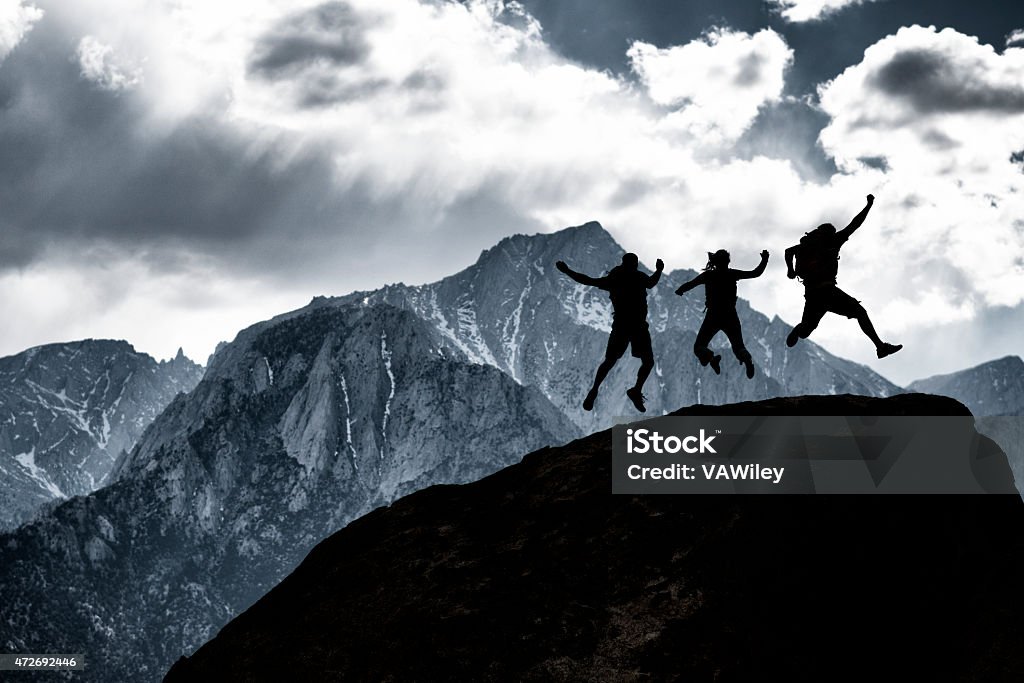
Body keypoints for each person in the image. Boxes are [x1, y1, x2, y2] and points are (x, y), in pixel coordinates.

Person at [784, 194, 902, 358]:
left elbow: (788, 251)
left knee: (806, 330)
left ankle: (799, 329)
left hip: (812, 294)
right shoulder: (834, 240)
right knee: (860, 312)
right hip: (828, 291)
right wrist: (869, 205)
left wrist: (790, 271)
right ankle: (880, 347)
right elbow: (855, 224)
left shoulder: (808, 245)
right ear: (830, 233)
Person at [556, 253, 663, 412]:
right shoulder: (635, 277)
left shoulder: (616, 278)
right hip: (636, 326)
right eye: (634, 264)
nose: (634, 266)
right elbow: (652, 282)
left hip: (624, 325)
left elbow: (587, 280)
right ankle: (633, 390)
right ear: (633, 264)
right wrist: (659, 270)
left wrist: (567, 271)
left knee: (611, 361)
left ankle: (598, 390)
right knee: (645, 362)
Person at [675, 249, 768, 379]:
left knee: (699, 346)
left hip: (713, 315)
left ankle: (712, 358)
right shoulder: (732, 274)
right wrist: (765, 259)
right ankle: (747, 359)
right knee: (738, 347)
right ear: (728, 261)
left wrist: (680, 290)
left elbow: (691, 284)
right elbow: (755, 273)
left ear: (715, 261)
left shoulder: (708, 275)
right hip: (730, 315)